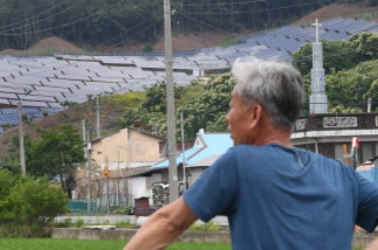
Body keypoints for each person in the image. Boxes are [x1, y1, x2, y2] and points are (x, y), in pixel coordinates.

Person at [124, 57, 378, 250]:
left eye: (232, 106)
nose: (227, 117)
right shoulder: (342, 174)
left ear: (255, 114)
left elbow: (169, 222)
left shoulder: (240, 163)